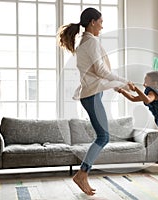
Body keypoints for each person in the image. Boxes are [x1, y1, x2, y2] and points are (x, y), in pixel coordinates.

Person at [57, 7, 128, 195]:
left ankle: (82, 174)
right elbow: (101, 71)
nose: (102, 26)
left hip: (91, 95)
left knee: (103, 136)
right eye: (101, 22)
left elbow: (95, 75)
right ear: (92, 22)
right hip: (91, 96)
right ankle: (82, 174)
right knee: (103, 137)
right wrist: (124, 81)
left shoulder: (85, 43)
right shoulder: (91, 43)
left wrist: (117, 86)